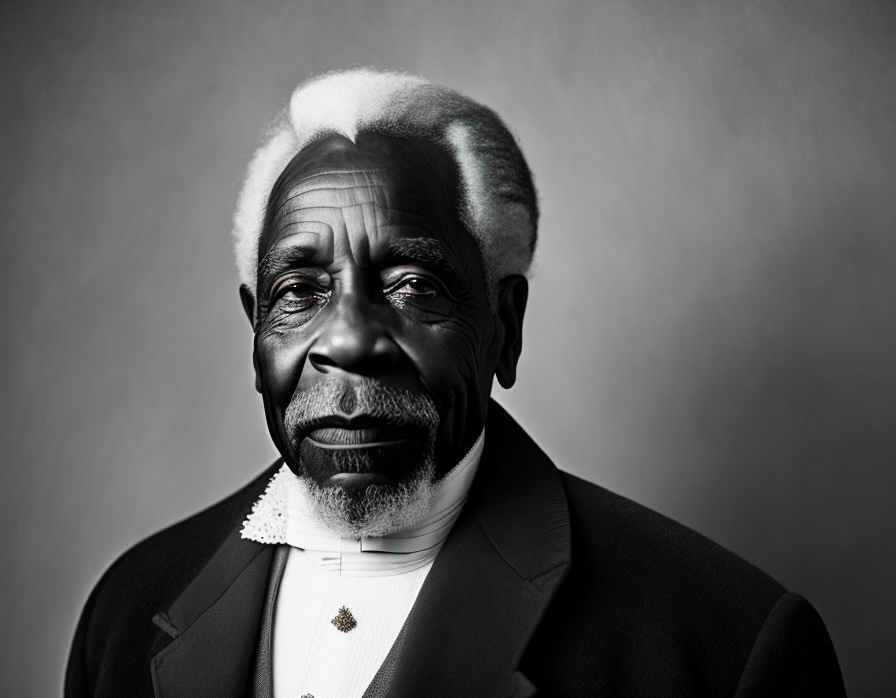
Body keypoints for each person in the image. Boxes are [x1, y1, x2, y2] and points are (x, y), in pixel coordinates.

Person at [65, 68, 846, 698]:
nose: (347, 339)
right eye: (299, 291)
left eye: (411, 284)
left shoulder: (731, 653)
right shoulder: (126, 614)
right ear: (255, 332)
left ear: (503, 326)